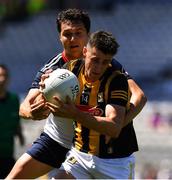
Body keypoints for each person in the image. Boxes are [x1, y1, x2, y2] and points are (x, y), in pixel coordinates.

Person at [6, 9, 146, 179]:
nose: (73, 39)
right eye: (67, 34)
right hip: (57, 141)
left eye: (78, 33)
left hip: (96, 149)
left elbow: (139, 97)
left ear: (87, 35)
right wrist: (33, 112)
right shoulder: (53, 69)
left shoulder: (104, 64)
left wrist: (115, 126)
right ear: (60, 37)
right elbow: (25, 107)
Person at [47, 30, 139, 179]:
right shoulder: (70, 70)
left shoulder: (116, 80)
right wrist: (46, 88)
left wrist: (75, 114)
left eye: (105, 62)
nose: (99, 67)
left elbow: (114, 128)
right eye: (95, 60)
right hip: (80, 156)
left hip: (115, 163)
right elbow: (52, 98)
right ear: (85, 52)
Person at [0, 64, 25, 179]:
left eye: (5, 75)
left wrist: (20, 135)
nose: (2, 79)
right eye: (0, 76)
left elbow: (16, 121)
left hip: (8, 156)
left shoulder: (14, 99)